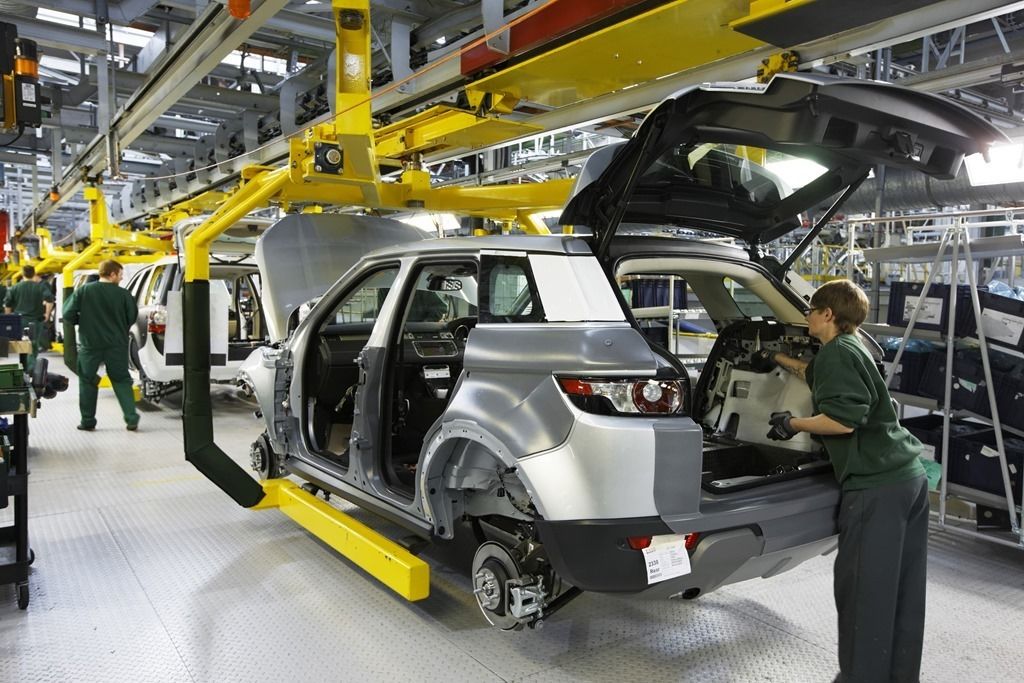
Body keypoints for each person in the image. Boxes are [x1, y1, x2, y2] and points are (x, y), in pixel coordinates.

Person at [763, 279, 927, 683]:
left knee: (864, 594)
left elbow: (843, 420)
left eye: (810, 311)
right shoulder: (852, 346)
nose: (806, 317)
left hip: (876, 488)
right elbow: (818, 373)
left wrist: (791, 424)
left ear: (827, 314)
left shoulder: (836, 353)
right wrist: (778, 358)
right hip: (908, 480)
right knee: (902, 592)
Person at [62, 259, 140, 432]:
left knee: (87, 380)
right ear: (112, 274)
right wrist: (119, 326)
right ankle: (131, 418)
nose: (121, 278)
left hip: (90, 345)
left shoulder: (84, 291)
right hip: (116, 344)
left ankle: (88, 421)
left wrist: (81, 320)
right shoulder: (124, 294)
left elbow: (67, 314)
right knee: (121, 380)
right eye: (120, 274)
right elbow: (132, 316)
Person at [4, 264, 55, 373]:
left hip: (20, 321)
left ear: (23, 274)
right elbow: (50, 300)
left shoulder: (15, 287)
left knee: (22, 345)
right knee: (33, 344)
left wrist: (9, 319)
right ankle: (30, 368)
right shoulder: (40, 287)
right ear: (34, 274)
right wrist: (47, 314)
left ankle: (24, 367)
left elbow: (7, 305)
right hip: (36, 321)